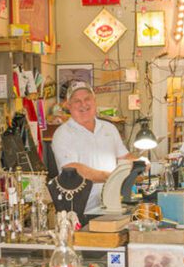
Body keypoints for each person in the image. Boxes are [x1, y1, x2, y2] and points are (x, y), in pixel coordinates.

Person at [51, 82, 137, 212]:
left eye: (87, 99)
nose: (83, 104)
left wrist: (139, 164)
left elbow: (124, 156)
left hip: (111, 204)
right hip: (80, 210)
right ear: (68, 105)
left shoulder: (109, 128)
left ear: (94, 100)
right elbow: (74, 170)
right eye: (77, 101)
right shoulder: (62, 134)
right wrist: (112, 177)